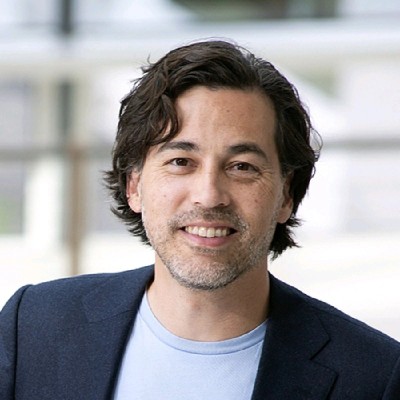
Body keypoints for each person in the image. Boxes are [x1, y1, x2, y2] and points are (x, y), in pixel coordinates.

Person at [0, 40, 399, 400]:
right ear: (134, 186)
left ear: (286, 195)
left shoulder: (374, 377)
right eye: (180, 161)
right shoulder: (33, 326)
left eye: (242, 167)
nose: (209, 195)